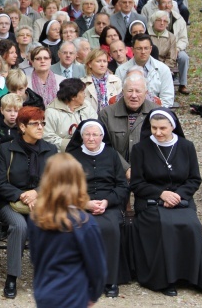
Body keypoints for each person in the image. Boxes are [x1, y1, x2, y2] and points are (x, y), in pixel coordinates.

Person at [130, 109, 202, 296]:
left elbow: (194, 179)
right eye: (154, 128)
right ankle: (165, 280)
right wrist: (161, 194)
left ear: (173, 126)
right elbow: (137, 183)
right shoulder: (140, 149)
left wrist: (177, 195)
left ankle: (192, 277)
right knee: (165, 226)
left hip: (181, 200)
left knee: (192, 225)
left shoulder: (186, 146)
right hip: (151, 201)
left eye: (163, 128)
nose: (158, 132)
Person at [26, 153, 106, 308]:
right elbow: (98, 269)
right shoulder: (84, 223)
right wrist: (93, 295)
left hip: (44, 293)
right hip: (73, 296)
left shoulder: (36, 218)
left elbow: (35, 259)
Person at [0, 106, 57, 298]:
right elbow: (0, 183)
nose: (40, 127)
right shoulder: (6, 149)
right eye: (35, 123)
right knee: (19, 226)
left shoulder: (50, 149)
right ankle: (12, 277)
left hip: (41, 202)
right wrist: (22, 195)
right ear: (22, 127)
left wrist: (36, 193)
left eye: (43, 123)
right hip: (11, 202)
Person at [66, 121, 128, 297]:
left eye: (95, 135)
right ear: (81, 136)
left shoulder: (112, 155)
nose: (91, 138)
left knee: (109, 228)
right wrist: (84, 203)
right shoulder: (72, 156)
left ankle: (109, 280)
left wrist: (107, 202)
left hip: (108, 205)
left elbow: (122, 186)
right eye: (87, 135)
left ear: (102, 137)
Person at [99, 73, 158, 177]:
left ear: (146, 93)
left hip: (150, 171)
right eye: (130, 91)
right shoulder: (106, 114)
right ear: (122, 92)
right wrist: (125, 168)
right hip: (114, 171)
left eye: (138, 91)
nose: (134, 95)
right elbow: (104, 146)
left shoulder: (157, 113)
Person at [116, 34, 175, 107]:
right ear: (132, 50)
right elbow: (118, 98)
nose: (143, 52)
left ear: (150, 49)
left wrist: (153, 113)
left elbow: (167, 99)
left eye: (146, 48)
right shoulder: (121, 70)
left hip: (156, 112)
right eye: (139, 48)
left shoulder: (163, 69)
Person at [44, 78, 97, 152]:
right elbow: (47, 137)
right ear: (73, 97)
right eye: (82, 92)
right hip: (61, 155)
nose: (85, 95)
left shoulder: (87, 105)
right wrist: (71, 144)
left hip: (88, 151)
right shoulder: (51, 112)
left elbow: (96, 126)